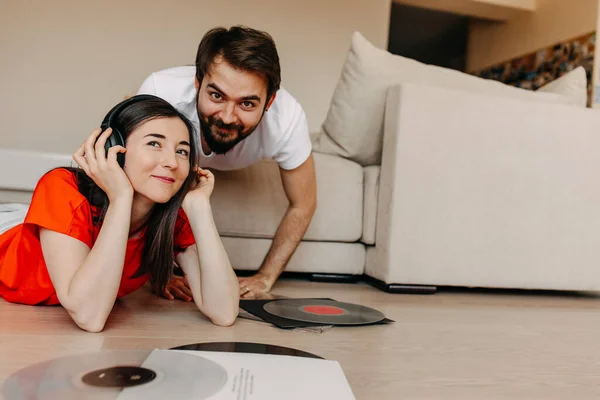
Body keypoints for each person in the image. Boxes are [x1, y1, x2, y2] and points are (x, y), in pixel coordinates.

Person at [0, 95, 239, 332]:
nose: (172, 162)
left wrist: (199, 207)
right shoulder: (62, 186)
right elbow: (89, 316)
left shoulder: (171, 215)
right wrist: (121, 196)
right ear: (113, 148)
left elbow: (224, 312)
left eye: (182, 151)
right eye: (154, 143)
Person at [137, 25, 317, 300]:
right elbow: (136, 182)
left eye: (246, 104)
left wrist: (265, 278)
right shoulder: (162, 90)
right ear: (198, 83)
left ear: (269, 102)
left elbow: (303, 204)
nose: (228, 117)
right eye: (216, 96)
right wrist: (159, 272)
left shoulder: (287, 118)